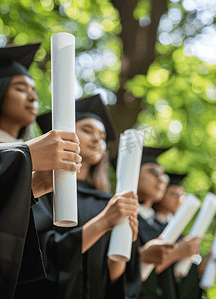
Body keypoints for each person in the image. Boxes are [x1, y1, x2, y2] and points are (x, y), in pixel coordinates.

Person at [15, 94, 140, 299]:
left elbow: (116, 280)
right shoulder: (43, 189)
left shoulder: (107, 202)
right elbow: (37, 256)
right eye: (87, 130)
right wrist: (103, 222)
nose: (97, 138)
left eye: (102, 135)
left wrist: (123, 242)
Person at [0, 42, 82, 298]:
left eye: (34, 90)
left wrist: (32, 186)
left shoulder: (31, 162)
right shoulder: (27, 154)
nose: (34, 98)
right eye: (21, 89)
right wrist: (27, 155)